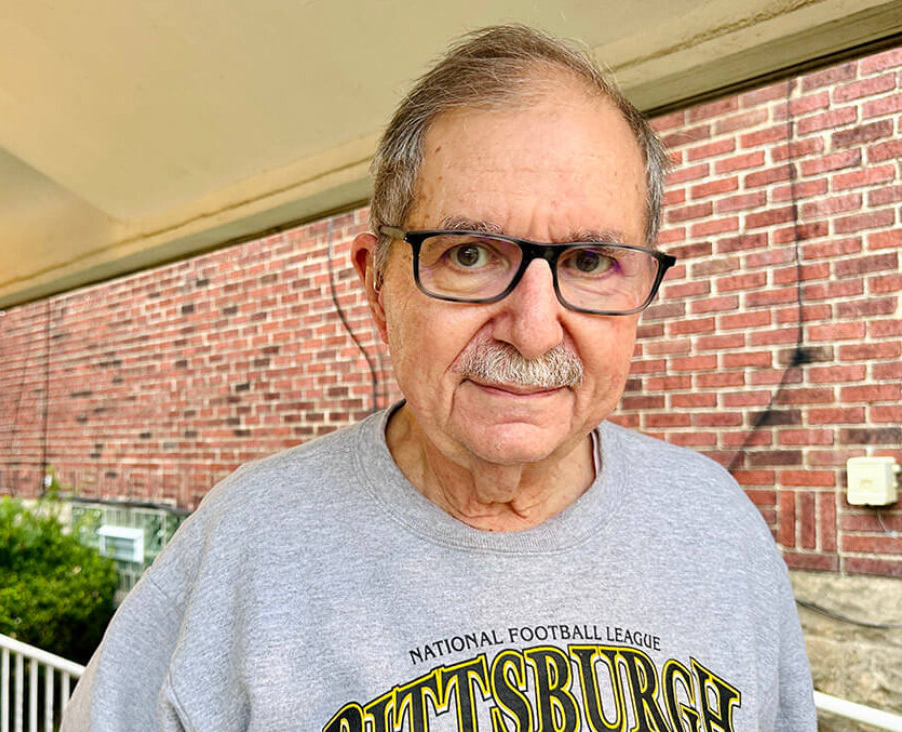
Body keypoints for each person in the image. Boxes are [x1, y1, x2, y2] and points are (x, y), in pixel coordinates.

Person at [64, 24, 816, 731]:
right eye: (470, 254)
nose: (532, 328)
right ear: (377, 284)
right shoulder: (245, 545)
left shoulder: (718, 529)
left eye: (589, 262)